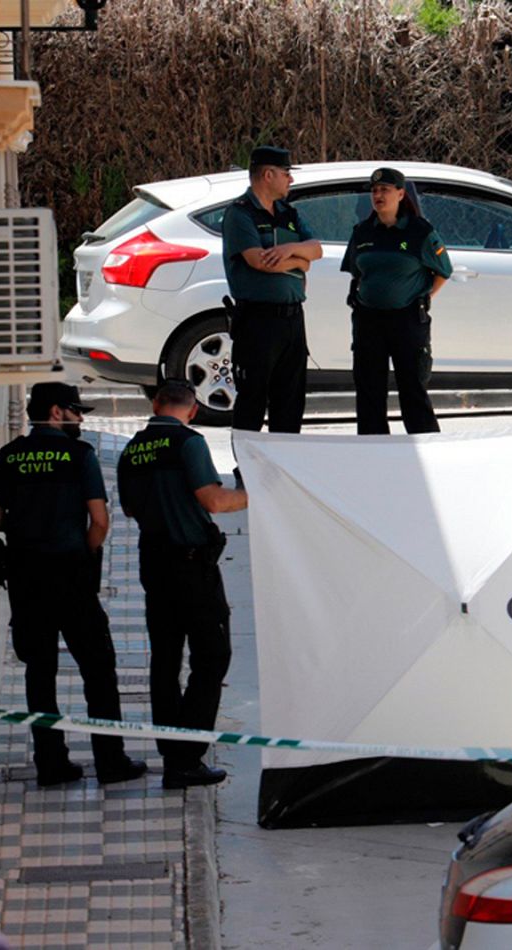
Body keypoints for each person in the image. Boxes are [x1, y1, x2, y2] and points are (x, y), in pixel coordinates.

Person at [0, 383, 146, 788]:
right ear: (56, 412)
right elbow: (100, 520)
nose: (82, 419)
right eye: (77, 411)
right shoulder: (79, 455)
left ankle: (51, 765)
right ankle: (110, 761)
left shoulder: (9, 456)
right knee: (98, 668)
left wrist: (27, 520)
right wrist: (86, 555)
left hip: (26, 576)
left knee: (39, 673)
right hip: (71, 574)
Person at [117, 381, 249, 789]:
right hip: (192, 565)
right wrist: (252, 492)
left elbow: (129, 508)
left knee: (166, 659)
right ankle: (187, 756)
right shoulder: (188, 443)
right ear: (192, 411)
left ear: (155, 404)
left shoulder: (131, 450)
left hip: (154, 562)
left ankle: (172, 750)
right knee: (212, 657)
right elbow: (213, 501)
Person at [340, 166, 453, 434]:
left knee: (412, 389)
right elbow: (357, 271)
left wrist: (423, 299)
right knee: (369, 391)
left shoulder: (419, 231)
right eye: (375, 190)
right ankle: (373, 451)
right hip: (369, 320)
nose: (378, 195)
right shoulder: (363, 231)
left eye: (385, 190)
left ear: (401, 194)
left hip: (407, 320)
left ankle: (424, 448)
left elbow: (443, 271)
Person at [221, 145, 323, 434]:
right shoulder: (240, 214)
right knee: (253, 398)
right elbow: (259, 261)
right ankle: (248, 472)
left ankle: (282, 470)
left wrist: (291, 249)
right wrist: (300, 263)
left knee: (290, 401)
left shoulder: (287, 213)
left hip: (292, 319)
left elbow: (315, 250)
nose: (290, 180)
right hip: (258, 319)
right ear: (268, 174)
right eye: (286, 174)